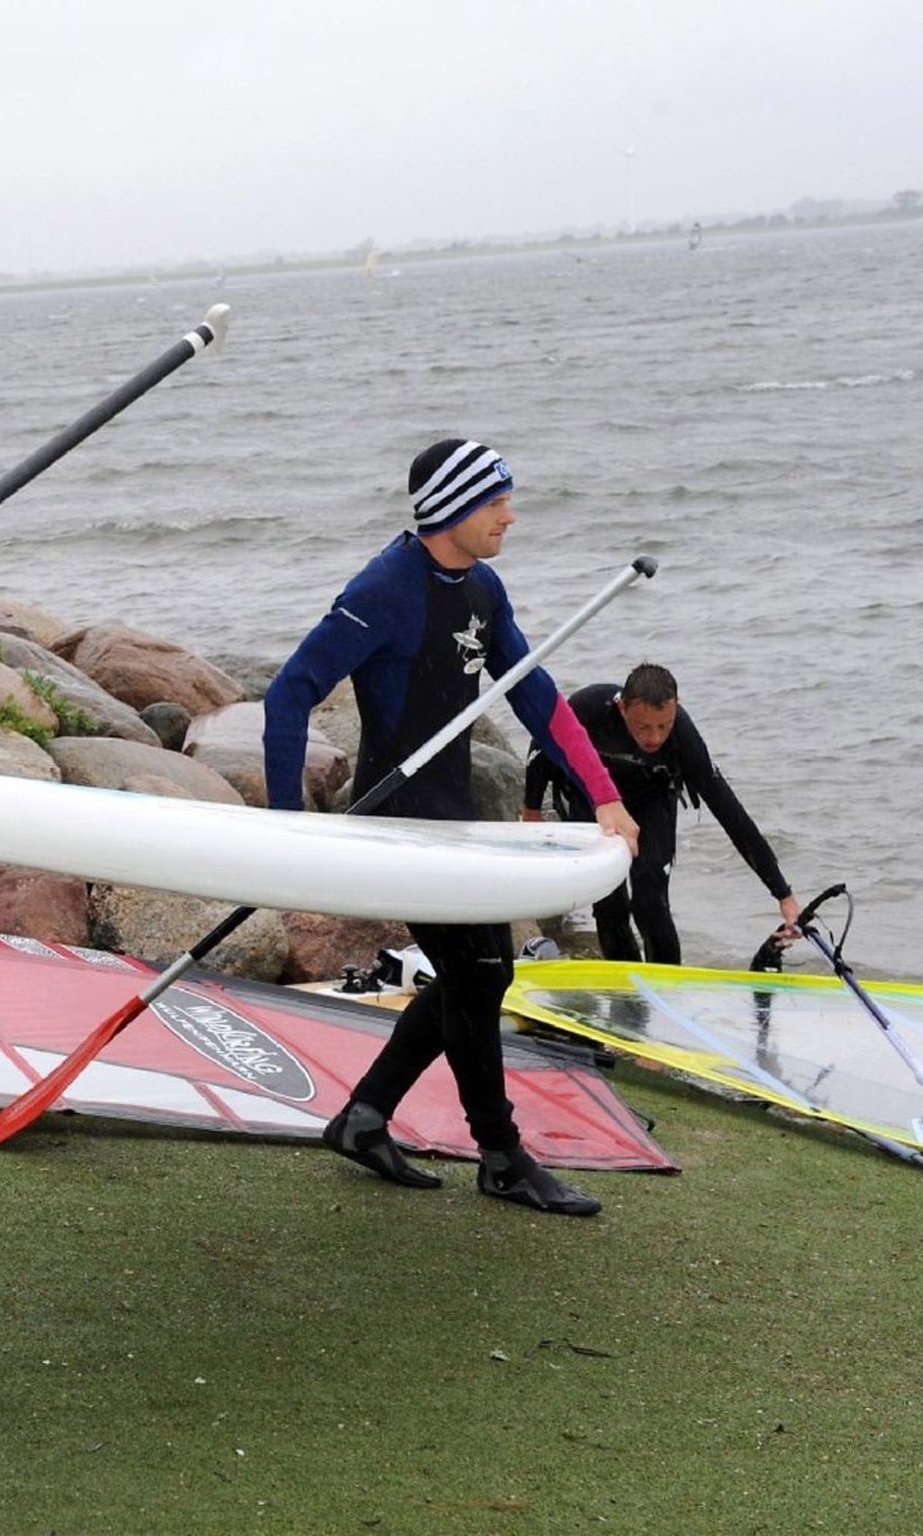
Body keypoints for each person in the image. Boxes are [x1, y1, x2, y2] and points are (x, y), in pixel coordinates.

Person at [262, 438, 641, 1218]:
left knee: (483, 972)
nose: (509, 513)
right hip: (398, 821)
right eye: (495, 499)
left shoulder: (482, 587)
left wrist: (603, 796)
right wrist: (284, 829)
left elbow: (533, 693)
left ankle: (365, 1118)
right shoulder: (385, 589)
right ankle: (500, 1154)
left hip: (454, 818)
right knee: (478, 974)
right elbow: (289, 693)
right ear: (455, 507)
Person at [522, 664, 799, 965]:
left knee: (651, 901)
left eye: (663, 726)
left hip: (651, 799)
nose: (654, 738)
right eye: (643, 726)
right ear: (622, 707)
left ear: (675, 709)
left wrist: (782, 893)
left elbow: (729, 812)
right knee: (608, 904)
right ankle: (625, 988)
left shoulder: (682, 734)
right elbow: (542, 746)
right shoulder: (588, 708)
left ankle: (667, 988)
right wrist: (532, 811)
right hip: (593, 800)